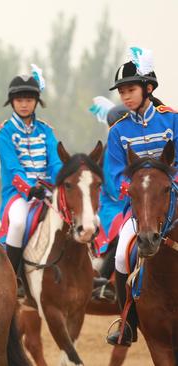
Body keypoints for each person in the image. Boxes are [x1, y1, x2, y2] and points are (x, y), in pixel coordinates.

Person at [105, 47, 178, 347]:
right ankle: (128, 322)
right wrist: (133, 190)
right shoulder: (118, 131)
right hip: (140, 206)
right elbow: (113, 175)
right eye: (122, 92)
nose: (125, 96)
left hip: (173, 198)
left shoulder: (172, 120)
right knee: (123, 251)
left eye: (130, 89)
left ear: (148, 88)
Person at [0, 64, 63, 297]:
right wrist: (29, 189)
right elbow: (12, 168)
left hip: (48, 191)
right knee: (18, 223)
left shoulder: (46, 131)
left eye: (29, 99)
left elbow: (54, 162)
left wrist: (61, 182)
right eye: (19, 99)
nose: (24, 104)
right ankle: (11, 278)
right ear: (12, 102)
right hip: (18, 194)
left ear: (36, 101)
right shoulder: (4, 133)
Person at [89, 98, 129, 301]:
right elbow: (114, 188)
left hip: (136, 202)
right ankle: (103, 282)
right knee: (124, 232)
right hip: (114, 206)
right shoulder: (109, 152)